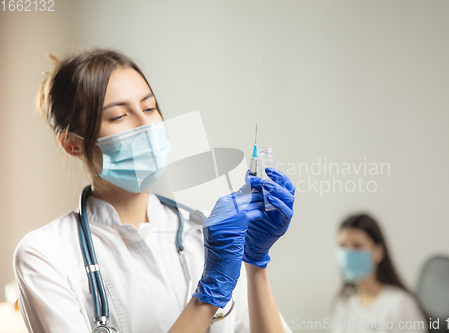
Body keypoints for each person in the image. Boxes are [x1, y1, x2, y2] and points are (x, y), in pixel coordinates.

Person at [13, 48, 295, 333]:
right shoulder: (44, 255)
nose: (147, 125)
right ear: (72, 144)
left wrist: (255, 262)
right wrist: (208, 295)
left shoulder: (210, 232)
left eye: (149, 108)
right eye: (119, 116)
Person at [331, 214, 427, 333]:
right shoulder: (345, 303)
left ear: (378, 253)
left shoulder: (400, 305)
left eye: (357, 246)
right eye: (343, 246)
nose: (348, 253)